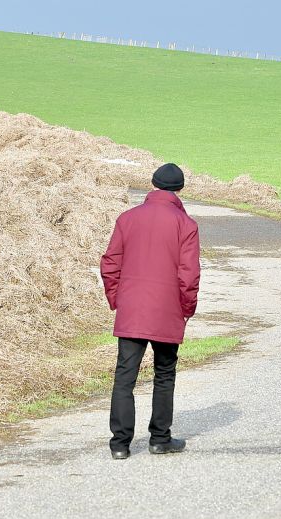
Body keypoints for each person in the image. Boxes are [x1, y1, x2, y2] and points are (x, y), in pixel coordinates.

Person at [100, 163, 201, 460]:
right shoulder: (187, 225)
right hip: (167, 310)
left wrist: (118, 298)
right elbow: (189, 274)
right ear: (179, 190)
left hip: (132, 308)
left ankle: (120, 444)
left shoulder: (127, 218)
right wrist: (186, 308)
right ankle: (159, 438)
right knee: (164, 373)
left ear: (153, 185)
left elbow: (110, 263)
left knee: (125, 376)